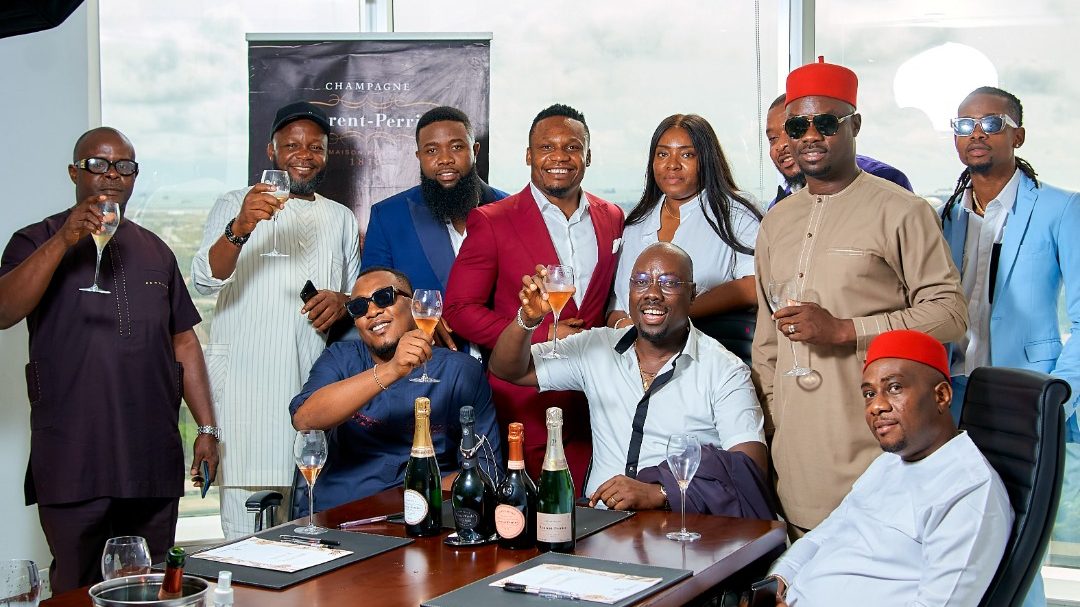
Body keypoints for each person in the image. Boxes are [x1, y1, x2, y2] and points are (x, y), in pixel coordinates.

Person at [751, 57, 967, 537]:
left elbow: (950, 313)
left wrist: (846, 330)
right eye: (797, 126)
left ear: (855, 125)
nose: (809, 136)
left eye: (826, 123)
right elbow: (767, 343)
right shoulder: (776, 222)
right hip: (795, 459)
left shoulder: (902, 211)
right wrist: (775, 422)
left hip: (874, 450)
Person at [0, 127, 219, 593]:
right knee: (76, 588)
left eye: (124, 166)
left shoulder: (155, 250)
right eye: (98, 164)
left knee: (152, 586)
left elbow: (183, 341)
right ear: (74, 172)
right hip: (73, 454)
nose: (112, 175)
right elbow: (3, 310)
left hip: (149, 456)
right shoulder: (34, 239)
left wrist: (206, 428)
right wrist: (65, 239)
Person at [489, 243, 770, 515]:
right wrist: (527, 320)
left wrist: (661, 492)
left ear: (692, 294)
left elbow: (750, 469)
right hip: (598, 522)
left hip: (677, 526)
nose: (653, 293)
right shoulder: (595, 347)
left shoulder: (725, 370)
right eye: (641, 282)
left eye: (669, 283)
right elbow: (509, 369)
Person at [192, 101, 360, 539]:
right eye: (291, 145)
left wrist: (343, 301)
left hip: (309, 391)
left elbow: (356, 300)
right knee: (245, 538)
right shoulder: (235, 203)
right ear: (271, 151)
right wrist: (240, 227)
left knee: (306, 529)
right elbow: (205, 279)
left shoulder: (340, 217)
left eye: (315, 147)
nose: (304, 155)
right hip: (245, 396)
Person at [940, 85, 1080, 607]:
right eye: (965, 125)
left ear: (1018, 135)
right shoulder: (944, 215)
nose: (976, 133)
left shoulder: (1061, 209)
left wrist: (1058, 396)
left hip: (1026, 395)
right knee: (958, 530)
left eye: (992, 123)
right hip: (952, 392)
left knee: (1019, 536)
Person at [445, 103, 624, 490]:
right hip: (524, 399)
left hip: (597, 403)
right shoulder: (492, 220)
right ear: (529, 155)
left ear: (588, 156)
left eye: (572, 147)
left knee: (597, 511)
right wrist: (543, 333)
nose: (560, 156)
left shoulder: (612, 216)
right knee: (527, 514)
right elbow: (459, 309)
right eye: (547, 147)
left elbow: (609, 296)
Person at [766, 329, 1012, 606]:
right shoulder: (889, 462)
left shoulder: (967, 493)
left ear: (941, 396)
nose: (876, 406)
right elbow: (825, 534)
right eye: (869, 394)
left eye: (894, 388)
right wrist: (778, 579)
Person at [289, 267, 500, 513]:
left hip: (419, 517)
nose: (372, 311)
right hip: (336, 514)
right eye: (358, 307)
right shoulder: (339, 358)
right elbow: (304, 419)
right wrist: (392, 370)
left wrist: (408, 503)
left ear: (414, 305)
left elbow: (485, 470)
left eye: (383, 297)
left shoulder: (459, 371)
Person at [362, 106, 508, 351]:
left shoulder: (509, 209)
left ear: (475, 150)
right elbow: (371, 295)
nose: (445, 159)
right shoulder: (388, 216)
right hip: (429, 361)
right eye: (431, 150)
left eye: (457, 147)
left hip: (503, 360)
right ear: (419, 156)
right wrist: (418, 312)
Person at [609, 114, 762, 325]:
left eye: (687, 155)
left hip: (708, 340)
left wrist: (672, 314)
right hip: (633, 344)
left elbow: (754, 286)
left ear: (706, 160)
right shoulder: (636, 223)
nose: (672, 165)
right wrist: (624, 326)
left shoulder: (733, 210)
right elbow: (615, 307)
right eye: (663, 154)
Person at [764, 93, 913, 210]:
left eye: (793, 129)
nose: (780, 145)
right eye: (772, 138)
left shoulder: (882, 179)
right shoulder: (779, 207)